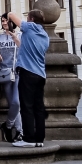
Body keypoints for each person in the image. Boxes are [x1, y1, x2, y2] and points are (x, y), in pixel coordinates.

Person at [8, 9, 49, 148]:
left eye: (27, 17)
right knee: (39, 107)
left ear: (31, 19)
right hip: (40, 74)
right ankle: (39, 138)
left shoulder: (30, 27)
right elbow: (29, 49)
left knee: (27, 106)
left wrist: (9, 15)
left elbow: (12, 15)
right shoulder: (44, 34)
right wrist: (16, 40)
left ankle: (28, 138)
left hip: (27, 73)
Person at [0, 17, 21, 143]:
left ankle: (8, 125)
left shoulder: (20, 35)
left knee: (16, 102)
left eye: (6, 20)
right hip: (5, 74)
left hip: (18, 72)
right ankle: (19, 131)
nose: (4, 23)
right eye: (2, 21)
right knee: (12, 103)